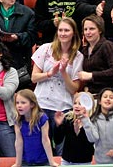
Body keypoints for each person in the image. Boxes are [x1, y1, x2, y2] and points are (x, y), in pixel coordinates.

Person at [30, 17, 83, 151]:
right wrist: (49, 73)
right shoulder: (45, 48)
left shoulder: (78, 56)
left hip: (63, 107)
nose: (63, 33)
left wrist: (63, 72)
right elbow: (34, 78)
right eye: (60, 30)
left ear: (73, 33)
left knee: (62, 148)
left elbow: (74, 89)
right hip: (41, 105)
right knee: (40, 148)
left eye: (66, 30)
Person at [77, 14, 113, 108]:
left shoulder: (107, 45)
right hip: (93, 98)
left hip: (111, 97)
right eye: (85, 29)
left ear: (100, 30)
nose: (88, 32)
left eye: (92, 29)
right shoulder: (85, 50)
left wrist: (91, 75)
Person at [13, 89, 57, 167]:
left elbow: (45, 140)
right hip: (26, 161)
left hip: (43, 161)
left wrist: (51, 162)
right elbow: (19, 142)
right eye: (17, 103)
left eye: (23, 103)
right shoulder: (18, 121)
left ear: (32, 104)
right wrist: (18, 164)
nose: (19, 105)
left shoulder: (42, 118)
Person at [53, 92, 96, 164]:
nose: (76, 106)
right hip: (66, 161)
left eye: (80, 104)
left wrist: (78, 132)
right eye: (75, 103)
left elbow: (91, 142)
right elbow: (57, 140)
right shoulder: (68, 119)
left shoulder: (93, 121)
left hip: (84, 162)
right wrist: (58, 125)